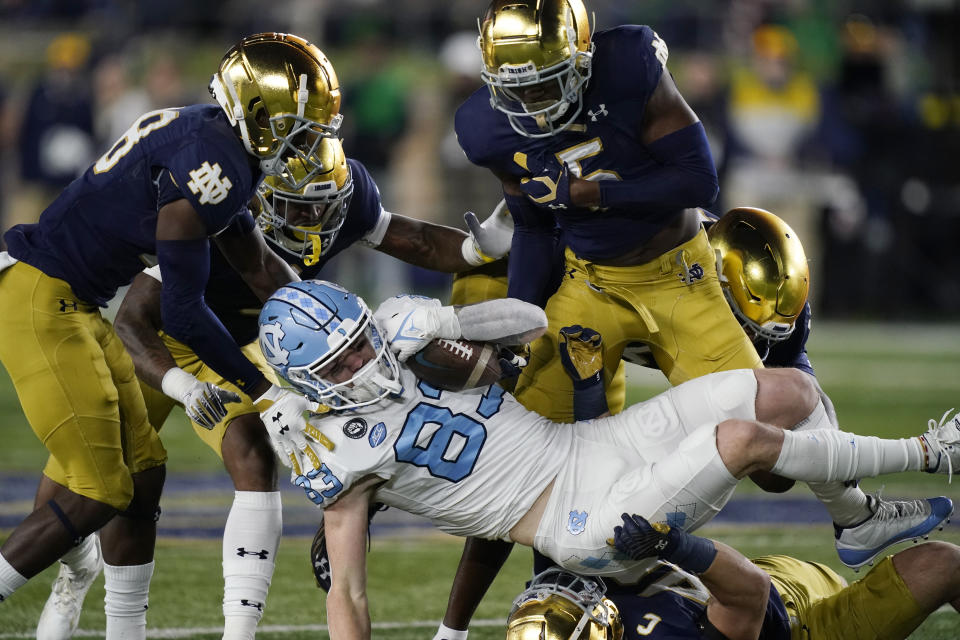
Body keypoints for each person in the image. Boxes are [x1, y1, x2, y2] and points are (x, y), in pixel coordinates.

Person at [256, 279, 956, 640]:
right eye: (340, 359)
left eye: (357, 339)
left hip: (588, 448)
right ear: (308, 379)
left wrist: (450, 322)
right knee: (739, 444)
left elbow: (532, 323)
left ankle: (856, 518)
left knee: (787, 391)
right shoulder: (328, 447)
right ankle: (931, 453)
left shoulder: (403, 342)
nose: (361, 357)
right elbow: (345, 591)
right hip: (575, 521)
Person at [35, 131, 514, 639]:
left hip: (238, 346)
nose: (314, 222)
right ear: (261, 199)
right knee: (79, 482)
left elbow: (412, 239)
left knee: (255, 453)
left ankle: (240, 628)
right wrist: (179, 385)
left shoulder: (345, 197)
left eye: (325, 209)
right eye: (299, 210)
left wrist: (473, 248)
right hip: (160, 341)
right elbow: (133, 319)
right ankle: (71, 574)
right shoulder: (220, 203)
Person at [0, 32, 341, 640]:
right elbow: (181, 313)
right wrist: (262, 389)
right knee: (100, 488)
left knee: (145, 468)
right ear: (258, 115)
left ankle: (122, 631)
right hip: (42, 295)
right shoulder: (212, 164)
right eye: (300, 126)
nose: (309, 142)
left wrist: (329, 320)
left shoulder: (212, 136)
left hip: (73, 298)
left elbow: (258, 264)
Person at [455, 0, 764, 425]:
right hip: (589, 283)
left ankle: (850, 490)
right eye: (517, 90)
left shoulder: (627, 67)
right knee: (539, 437)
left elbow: (698, 181)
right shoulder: (484, 128)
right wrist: (517, 325)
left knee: (759, 432)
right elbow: (533, 229)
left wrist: (592, 193)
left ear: (581, 55)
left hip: (680, 276)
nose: (531, 102)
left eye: (544, 84)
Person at [581, 512, 960, 639]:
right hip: (804, 625)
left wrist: (587, 392)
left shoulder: (542, 609)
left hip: (772, 572)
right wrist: (672, 545)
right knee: (944, 563)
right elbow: (750, 592)